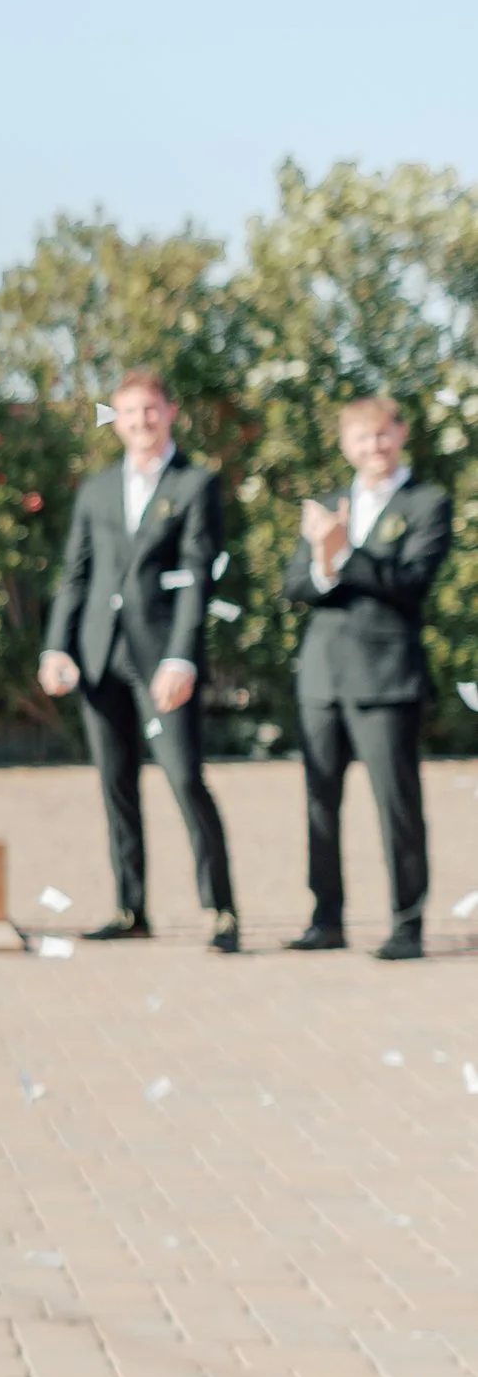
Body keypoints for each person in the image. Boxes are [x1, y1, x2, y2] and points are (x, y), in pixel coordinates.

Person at [37, 369, 239, 952]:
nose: (140, 422)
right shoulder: (97, 489)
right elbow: (75, 575)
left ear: (169, 413)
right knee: (116, 785)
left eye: (150, 410)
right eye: (128, 413)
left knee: (183, 778)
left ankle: (222, 910)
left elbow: (198, 578)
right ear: (116, 421)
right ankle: (132, 908)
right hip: (100, 657)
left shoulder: (195, 485)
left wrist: (182, 657)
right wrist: (57, 647)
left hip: (162, 659)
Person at [285, 392, 453, 959]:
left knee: (396, 804)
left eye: (382, 434)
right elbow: (296, 586)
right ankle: (325, 919)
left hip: (386, 678)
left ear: (400, 435)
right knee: (318, 803)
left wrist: (344, 550)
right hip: (322, 676)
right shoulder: (330, 501)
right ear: (345, 445)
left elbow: (410, 583)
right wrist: (322, 560)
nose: (374, 446)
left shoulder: (427, 502)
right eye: (362, 437)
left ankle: (407, 924)